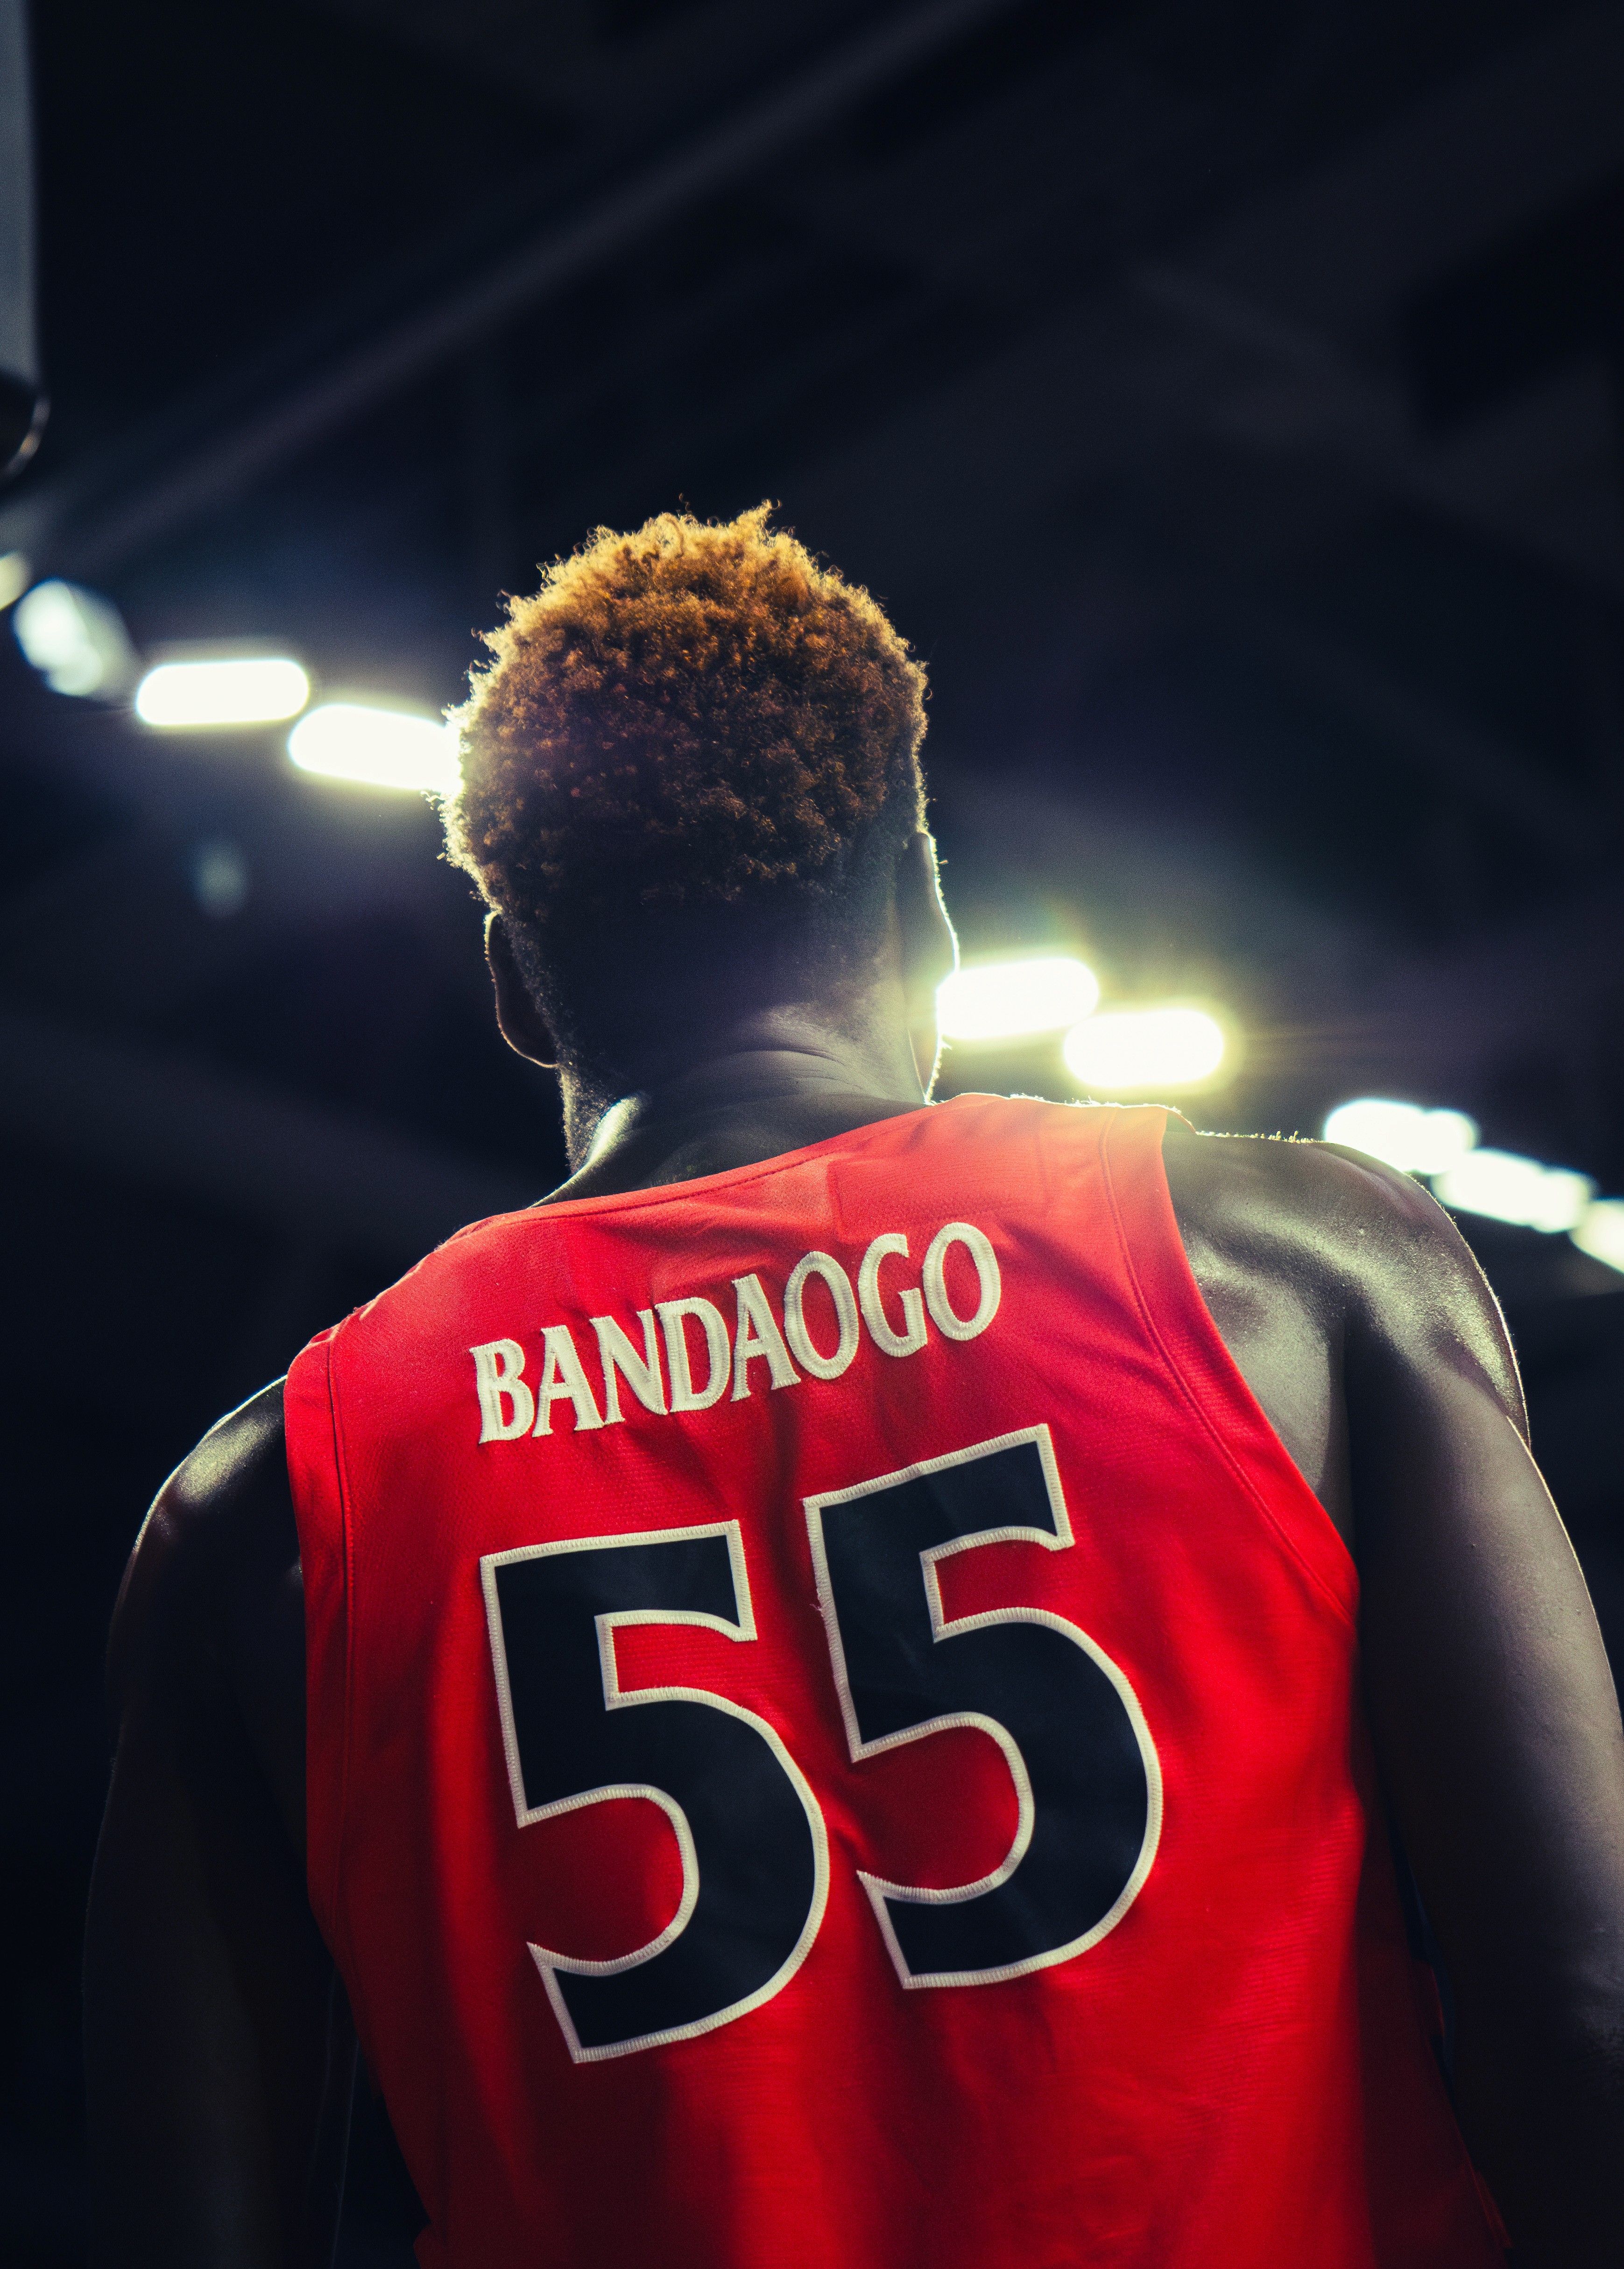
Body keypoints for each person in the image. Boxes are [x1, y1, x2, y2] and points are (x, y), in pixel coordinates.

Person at [85, 507, 1624, 2269]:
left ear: (517, 989)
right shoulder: (1302, 1272)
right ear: (930, 914)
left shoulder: (267, 1512)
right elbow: (1586, 2013)